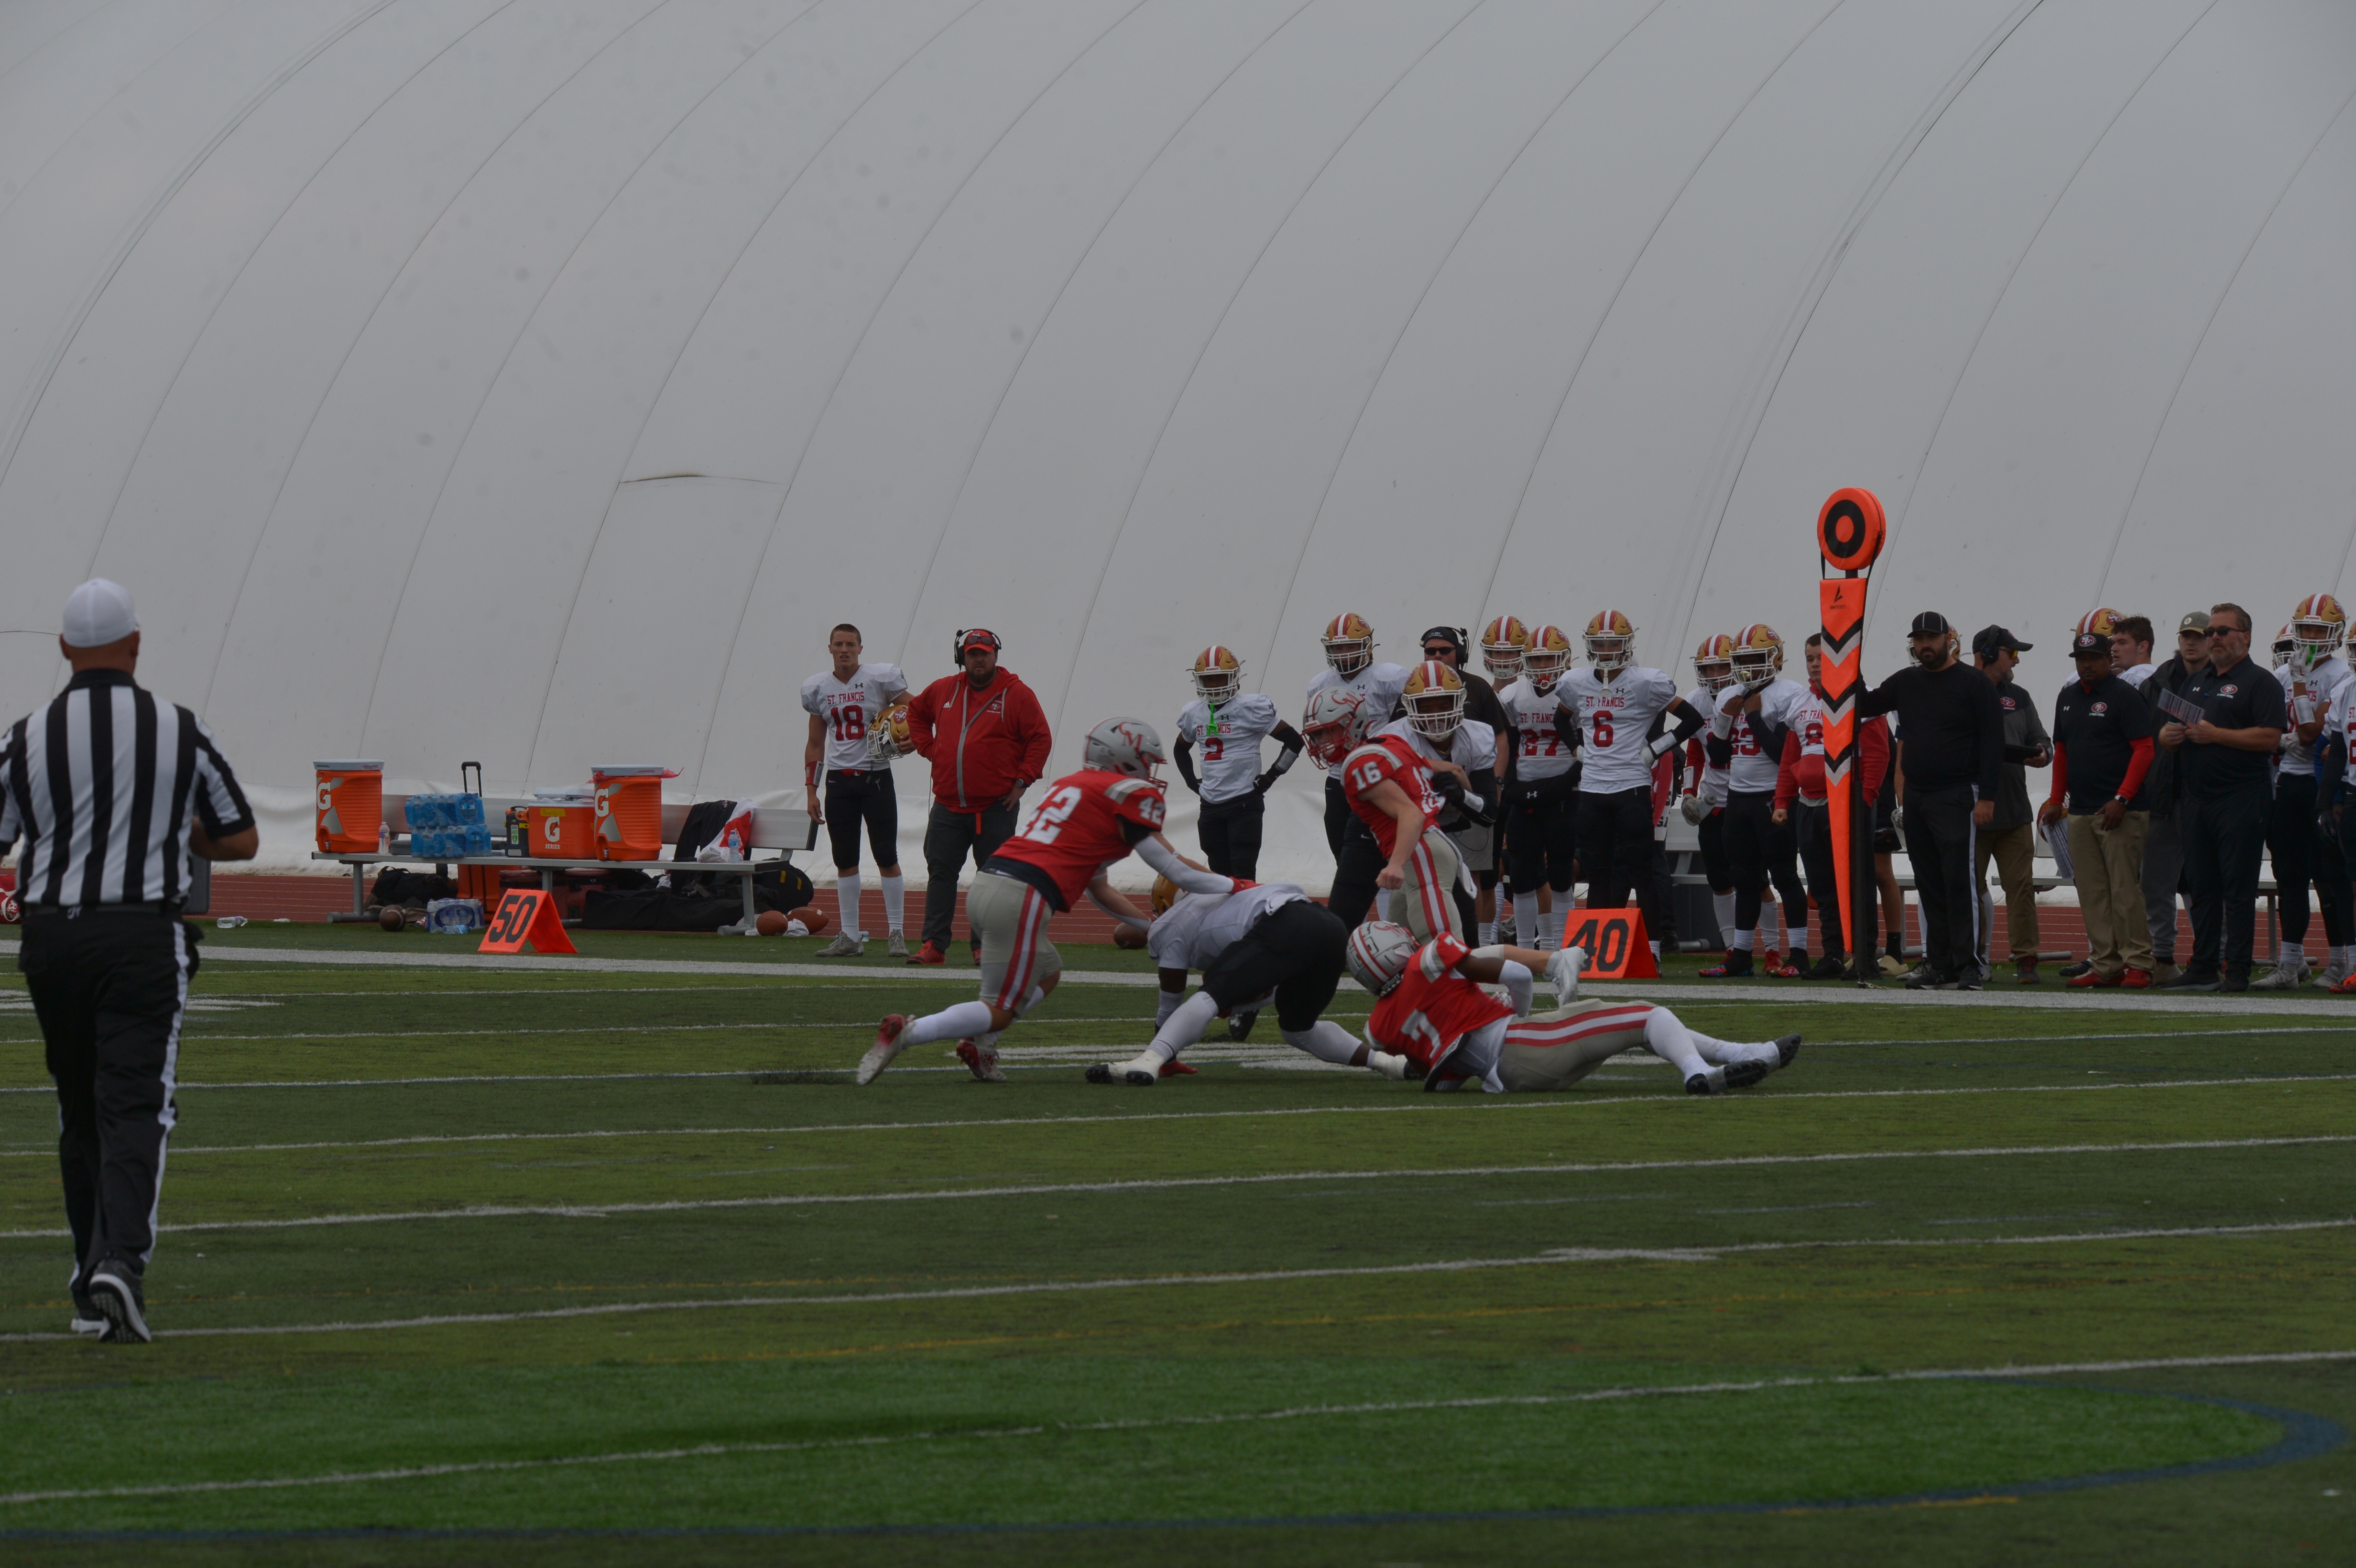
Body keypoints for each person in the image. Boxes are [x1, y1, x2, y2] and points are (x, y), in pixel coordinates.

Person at [2, 580, 257, 1342]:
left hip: (52, 938)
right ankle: (120, 1261)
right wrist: (175, 832)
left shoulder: (27, 734)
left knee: (79, 1106)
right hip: (141, 936)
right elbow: (239, 836)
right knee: (136, 1102)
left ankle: (91, 1279)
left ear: (63, 649)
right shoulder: (178, 728)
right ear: (137, 644)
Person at [862, 718, 1235, 1084]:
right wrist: (1237, 885)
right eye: (1146, 762)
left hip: (990, 884)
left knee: (1048, 972)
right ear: (1123, 760)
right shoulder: (1126, 794)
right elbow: (1175, 869)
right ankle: (909, 1032)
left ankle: (981, 1046)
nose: (1150, 772)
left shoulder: (1075, 786)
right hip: (1022, 896)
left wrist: (1150, 927)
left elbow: (1099, 888)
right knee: (999, 1009)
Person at [1346, 926, 1801, 1096]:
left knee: (1633, 1028)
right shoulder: (1430, 958)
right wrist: (1517, 1015)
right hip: (1524, 1045)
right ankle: (1699, 1074)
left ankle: (1746, 1053)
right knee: (1649, 1015)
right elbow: (1519, 977)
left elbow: (1445, 1078)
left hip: (1507, 1077)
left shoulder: (1378, 1027)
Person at [1087, 876, 1361, 1083]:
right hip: (1329, 926)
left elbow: (1170, 1003)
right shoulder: (1224, 897)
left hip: (1283, 927)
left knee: (1211, 996)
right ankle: (1382, 1061)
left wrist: (1166, 1056)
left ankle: (1148, 1061)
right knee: (1299, 1030)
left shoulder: (1174, 924)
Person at [1855, 611, 2004, 990]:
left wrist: (1987, 798)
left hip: (1958, 793)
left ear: (1948, 640)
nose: (1925, 645)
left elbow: (1993, 744)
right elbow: (1865, 705)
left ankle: (1969, 964)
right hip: (1917, 796)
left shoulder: (1974, 683)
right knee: (1929, 882)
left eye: (1931, 638)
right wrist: (1848, 664)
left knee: (1960, 880)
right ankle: (1939, 964)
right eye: (1919, 639)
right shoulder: (1906, 682)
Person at [2155, 603, 2288, 991]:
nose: (2214, 638)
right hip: (2197, 798)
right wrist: (2168, 737)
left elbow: (2271, 738)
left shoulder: (2261, 682)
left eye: (2222, 631)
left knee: (2237, 888)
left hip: (2240, 797)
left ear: (2245, 637)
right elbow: (2172, 727)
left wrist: (2217, 736)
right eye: (2211, 632)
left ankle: (2238, 970)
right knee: (2201, 886)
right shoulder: (2198, 680)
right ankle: (2203, 965)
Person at [1558, 610, 1702, 965]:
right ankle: (1594, 954)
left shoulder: (1646, 681)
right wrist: (1577, 750)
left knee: (1642, 871)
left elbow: (1693, 720)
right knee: (1598, 873)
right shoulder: (1576, 682)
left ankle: (1652, 951)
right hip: (1593, 789)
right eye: (1600, 644)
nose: (1607, 650)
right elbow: (1561, 719)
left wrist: (1655, 749)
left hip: (1631, 788)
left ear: (1627, 645)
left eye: (1613, 644)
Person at [903, 629, 1052, 967]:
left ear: (996, 655)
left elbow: (1040, 738)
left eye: (985, 653)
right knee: (941, 874)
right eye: (973, 654)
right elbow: (916, 713)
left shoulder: (1017, 694)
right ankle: (934, 945)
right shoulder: (944, 689)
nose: (979, 659)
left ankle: (986, 945)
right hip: (948, 805)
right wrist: (930, 749)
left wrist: (1023, 780)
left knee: (992, 880)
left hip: (995, 806)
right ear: (963, 658)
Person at [1303, 674, 1464, 941]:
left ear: (1351, 725)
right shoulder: (1388, 744)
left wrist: (1396, 865)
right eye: (1316, 736)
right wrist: (1466, 802)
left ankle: (1535, 961)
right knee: (1399, 946)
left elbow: (1411, 814)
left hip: (1419, 852)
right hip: (1429, 847)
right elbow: (1454, 770)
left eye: (1324, 732)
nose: (1320, 743)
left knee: (1445, 948)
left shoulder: (1357, 765)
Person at [2040, 631, 2156, 987]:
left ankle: (2139, 963)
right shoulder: (2068, 697)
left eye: (2094, 658)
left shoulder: (2125, 696)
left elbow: (2145, 749)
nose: (2087, 665)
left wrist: (2122, 798)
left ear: (2109, 659)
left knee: (2124, 890)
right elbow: (2062, 751)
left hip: (2121, 811)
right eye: (2081, 659)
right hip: (2081, 811)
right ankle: (2106, 964)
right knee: (2092, 893)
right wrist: (2056, 800)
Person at [1773, 635, 1891, 979]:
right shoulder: (1799, 702)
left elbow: (1878, 754)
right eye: (1810, 658)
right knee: (1822, 885)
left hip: (1847, 803)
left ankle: (1864, 956)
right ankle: (1832, 955)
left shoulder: (1861, 700)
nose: (1814, 665)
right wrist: (1782, 801)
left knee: (1857, 882)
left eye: (1821, 658)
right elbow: (1790, 758)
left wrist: (1865, 799)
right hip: (1809, 803)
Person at [1701, 624, 1811, 978]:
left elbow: (1783, 754)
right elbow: (1718, 758)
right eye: (1743, 660)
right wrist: (1725, 719)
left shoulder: (1789, 694)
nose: (1749, 667)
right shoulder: (1728, 695)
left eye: (1756, 658)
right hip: (1738, 798)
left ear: (1775, 658)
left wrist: (1751, 717)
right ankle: (1742, 955)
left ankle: (1799, 954)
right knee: (1745, 879)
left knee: (1784, 876)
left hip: (1773, 797)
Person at [2257, 595, 2352, 989]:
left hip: (2322, 783)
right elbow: (2269, 727)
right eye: (2306, 629)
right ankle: (2290, 964)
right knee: (2289, 874)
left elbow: (2313, 736)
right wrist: (2278, 739)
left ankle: (2339, 961)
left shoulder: (2341, 675)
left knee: (2329, 876)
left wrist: (2299, 687)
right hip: (2288, 783)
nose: (2311, 637)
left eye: (2319, 630)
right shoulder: (2281, 675)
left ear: (2336, 634)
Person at [801, 625, 910, 958]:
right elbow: (816, 743)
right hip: (839, 782)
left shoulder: (879, 679)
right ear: (830, 648)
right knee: (845, 859)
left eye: (850, 644)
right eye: (839, 644)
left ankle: (896, 932)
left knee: (886, 856)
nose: (844, 649)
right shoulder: (819, 688)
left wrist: (915, 737)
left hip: (876, 777)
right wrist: (811, 790)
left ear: (861, 648)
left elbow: (919, 710)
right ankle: (850, 936)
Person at [1172, 646, 1302, 881]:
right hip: (1210, 806)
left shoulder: (1251, 707)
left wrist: (1270, 777)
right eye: (1208, 680)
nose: (1214, 685)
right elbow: (1180, 749)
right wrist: (1192, 783)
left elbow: (1294, 742)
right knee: (1219, 878)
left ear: (1234, 678)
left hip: (1244, 803)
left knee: (1243, 876)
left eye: (1220, 678)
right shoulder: (1194, 712)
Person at [1307, 613, 1408, 914]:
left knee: (1380, 854)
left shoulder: (1388, 678)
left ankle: (1388, 924)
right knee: (1345, 858)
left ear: (1367, 645)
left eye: (1350, 646)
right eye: (1337, 648)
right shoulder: (1320, 683)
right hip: (1339, 779)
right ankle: (1358, 925)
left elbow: (1406, 725)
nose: (1343, 654)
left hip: (1376, 778)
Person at [1416, 626, 1512, 941]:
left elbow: (1500, 737)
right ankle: (1433, 939)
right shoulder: (1413, 687)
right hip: (1426, 794)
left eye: (1445, 650)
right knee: (1422, 872)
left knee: (1473, 875)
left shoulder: (1478, 687)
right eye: (1431, 651)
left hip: (1470, 790)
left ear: (1460, 653)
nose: (1438, 656)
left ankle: (1477, 943)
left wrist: (1495, 782)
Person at [1970, 626, 2052, 984]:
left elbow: (2042, 739)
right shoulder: (1962, 692)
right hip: (1972, 812)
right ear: (1988, 654)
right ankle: (1974, 958)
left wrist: (2043, 753)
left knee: (2021, 889)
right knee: (1969, 890)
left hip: (2015, 811)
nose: (2016, 661)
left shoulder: (2019, 696)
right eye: (2012, 653)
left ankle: (2026, 959)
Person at [2133, 611, 2210, 983]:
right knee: (2155, 883)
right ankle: (2162, 957)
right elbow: (2139, 738)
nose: (2191, 643)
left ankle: (2214, 954)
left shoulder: (2224, 680)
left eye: (2199, 636)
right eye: (2186, 636)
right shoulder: (2157, 682)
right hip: (2163, 794)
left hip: (2206, 795)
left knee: (2205, 882)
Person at [1498, 624, 1580, 949]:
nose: (1543, 666)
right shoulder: (1512, 695)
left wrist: (1566, 783)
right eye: (1537, 660)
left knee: (1560, 873)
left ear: (1564, 660)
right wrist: (1511, 785)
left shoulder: (1575, 691)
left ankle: (1557, 947)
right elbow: (1508, 744)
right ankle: (1525, 948)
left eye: (1549, 659)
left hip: (1565, 794)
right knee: (1521, 875)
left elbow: (1586, 748)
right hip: (1526, 791)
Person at [1676, 634, 1744, 952]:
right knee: (1718, 878)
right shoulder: (1697, 701)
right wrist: (1689, 792)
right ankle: (1732, 947)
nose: (1714, 675)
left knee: (1753, 878)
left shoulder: (1748, 696)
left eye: (1721, 667)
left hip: (1747, 797)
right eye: (1708, 668)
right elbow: (1695, 752)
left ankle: (1767, 946)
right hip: (1714, 802)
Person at [2111, 614, 2158, 686]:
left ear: (2142, 647)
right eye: (2113, 643)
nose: (2114, 649)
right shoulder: (2158, 674)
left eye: (2122, 643)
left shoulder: (2134, 676)